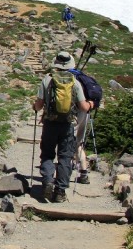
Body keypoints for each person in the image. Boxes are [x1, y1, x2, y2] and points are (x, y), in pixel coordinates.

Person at [32, 51, 93, 202]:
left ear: (56, 64)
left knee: (47, 154)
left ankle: (47, 181)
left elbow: (39, 105)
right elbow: (84, 107)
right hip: (67, 125)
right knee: (65, 157)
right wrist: (91, 103)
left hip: (49, 124)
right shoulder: (75, 82)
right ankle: (60, 192)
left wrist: (35, 107)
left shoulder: (47, 80)